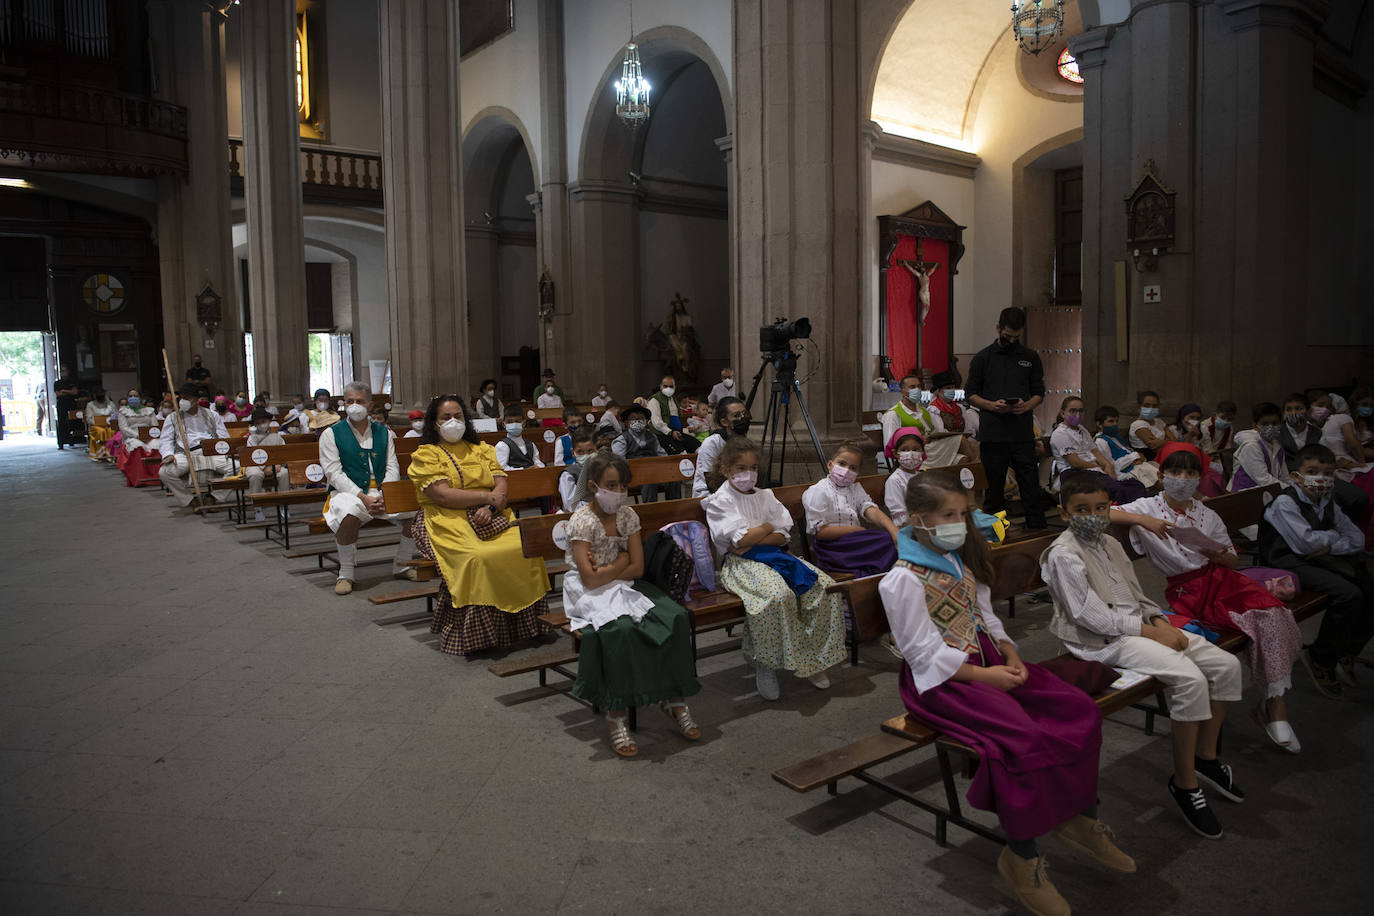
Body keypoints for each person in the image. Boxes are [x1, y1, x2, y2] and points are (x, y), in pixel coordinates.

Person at [883, 472, 1132, 914]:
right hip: (944, 682)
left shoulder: (956, 559)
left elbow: (985, 616)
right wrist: (985, 679)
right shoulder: (901, 579)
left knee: (1077, 709)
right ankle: (1021, 857)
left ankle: (1081, 818)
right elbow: (920, 653)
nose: (959, 523)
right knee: (1022, 738)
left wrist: (1010, 652)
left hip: (986, 660)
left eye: (962, 514)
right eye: (949, 515)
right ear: (919, 520)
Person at [1042, 470, 1244, 839]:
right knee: (1190, 680)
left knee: (1227, 665)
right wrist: (1153, 631)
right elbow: (1091, 616)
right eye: (1082, 509)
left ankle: (1207, 758)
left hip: (1140, 625)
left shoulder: (1111, 544)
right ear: (1065, 513)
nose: (1094, 516)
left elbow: (1138, 595)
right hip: (1100, 643)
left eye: (1101, 507)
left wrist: (1159, 621)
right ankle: (1185, 783)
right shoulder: (1063, 554)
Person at [1112, 443, 1303, 753]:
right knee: (1259, 617)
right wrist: (1146, 522)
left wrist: (1218, 555)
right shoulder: (1148, 506)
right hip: (1188, 591)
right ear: (1162, 475)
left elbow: (1232, 560)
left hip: (1221, 580)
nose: (1182, 478)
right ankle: (1272, 705)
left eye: (1190, 473)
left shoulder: (1207, 514)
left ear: (1199, 478)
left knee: (1275, 613)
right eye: (1175, 472)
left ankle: (1274, 701)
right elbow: (1103, 510)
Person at [563, 452, 702, 757]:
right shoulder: (582, 521)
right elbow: (589, 581)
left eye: (623, 486)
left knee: (676, 618)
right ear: (593, 484)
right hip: (587, 593)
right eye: (611, 485)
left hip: (625, 584)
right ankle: (616, 715)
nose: (618, 493)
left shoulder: (628, 516)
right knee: (619, 631)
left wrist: (611, 569)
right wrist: (620, 561)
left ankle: (673, 699)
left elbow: (638, 567)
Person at [703, 437, 847, 700]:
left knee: (824, 588)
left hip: (777, 556)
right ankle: (766, 664)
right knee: (776, 596)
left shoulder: (765, 496)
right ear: (726, 469)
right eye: (741, 468)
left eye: (754, 468)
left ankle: (813, 659)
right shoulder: (720, 500)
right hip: (742, 564)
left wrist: (763, 532)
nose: (749, 475)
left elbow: (783, 534)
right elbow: (739, 543)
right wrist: (769, 527)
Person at [406, 394, 551, 655]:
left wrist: (492, 506)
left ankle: (526, 627)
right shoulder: (426, 454)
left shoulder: (481, 449)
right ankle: (482, 636)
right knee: (479, 558)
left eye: (458, 416)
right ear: (434, 423)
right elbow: (442, 494)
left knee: (525, 549)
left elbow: (501, 483)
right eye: (446, 417)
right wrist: (486, 497)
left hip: (492, 516)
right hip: (447, 519)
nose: (453, 422)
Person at [1259, 444, 1372, 698]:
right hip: (1285, 563)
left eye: (1328, 473)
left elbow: (1357, 538)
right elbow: (1304, 544)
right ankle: (1321, 657)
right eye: (1313, 471)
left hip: (1315, 560)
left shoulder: (1327, 500)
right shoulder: (1285, 502)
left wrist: (1327, 543)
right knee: (1348, 595)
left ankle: (1347, 650)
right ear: (1297, 476)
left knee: (1369, 589)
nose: (1321, 479)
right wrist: (1333, 538)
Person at [318, 381, 417, 596]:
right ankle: (346, 573)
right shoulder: (331, 434)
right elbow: (333, 472)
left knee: (417, 512)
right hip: (346, 493)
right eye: (350, 401)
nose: (355, 405)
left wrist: (384, 493)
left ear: (370, 405)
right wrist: (362, 496)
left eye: (360, 401)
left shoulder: (385, 433)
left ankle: (403, 563)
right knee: (350, 513)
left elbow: (392, 466)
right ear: (343, 404)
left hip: (381, 493)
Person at [965, 308, 1047, 529]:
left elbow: (1039, 391)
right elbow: (970, 393)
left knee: (1029, 483)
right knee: (994, 486)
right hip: (994, 431)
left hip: (1021, 431)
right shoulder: (983, 357)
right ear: (998, 328)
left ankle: (1036, 528)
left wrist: (1027, 405)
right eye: (1007, 336)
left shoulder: (1030, 357)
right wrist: (991, 405)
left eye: (1016, 337)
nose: (1011, 341)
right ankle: (995, 529)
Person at [803, 441, 899, 577]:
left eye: (853, 468)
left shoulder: (854, 489)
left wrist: (894, 530)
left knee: (893, 540)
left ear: (858, 472)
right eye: (842, 464)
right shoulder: (819, 490)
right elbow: (819, 531)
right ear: (830, 465)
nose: (846, 470)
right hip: (832, 547)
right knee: (886, 543)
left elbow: (870, 509)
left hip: (855, 541)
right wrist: (855, 530)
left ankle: (880, 579)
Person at [1050, 396, 1145, 503]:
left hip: (1093, 470)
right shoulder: (1060, 433)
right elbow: (1074, 462)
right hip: (1075, 473)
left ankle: (1129, 515)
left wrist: (1107, 465)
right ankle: (1115, 516)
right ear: (1063, 413)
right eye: (1073, 411)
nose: (1077, 414)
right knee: (1115, 489)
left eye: (1081, 411)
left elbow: (1095, 451)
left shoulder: (1082, 430)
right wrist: (1098, 467)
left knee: (1136, 485)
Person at [158, 383, 232, 506]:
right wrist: (168, 454)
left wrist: (226, 450)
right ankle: (189, 500)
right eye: (181, 397)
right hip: (185, 453)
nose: (183, 401)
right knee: (164, 472)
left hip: (210, 452)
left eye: (187, 397)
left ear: (196, 399)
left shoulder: (212, 415)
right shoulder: (173, 417)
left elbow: (223, 436)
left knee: (237, 468)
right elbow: (165, 439)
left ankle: (214, 497)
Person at [1092, 405, 1159, 491]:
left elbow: (1128, 451)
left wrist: (1137, 457)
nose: (1115, 424)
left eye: (1116, 421)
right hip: (1125, 472)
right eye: (1111, 421)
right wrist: (1134, 457)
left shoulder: (1115, 437)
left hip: (1136, 466)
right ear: (1099, 424)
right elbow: (1112, 467)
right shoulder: (1100, 441)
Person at [692, 396, 749, 497]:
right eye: (736, 415)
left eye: (744, 414)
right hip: (709, 495)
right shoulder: (712, 443)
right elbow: (711, 482)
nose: (742, 418)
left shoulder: (744, 442)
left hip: (736, 493)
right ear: (724, 422)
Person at [612, 403, 668, 501]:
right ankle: (650, 512)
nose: (637, 421)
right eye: (633, 419)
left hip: (655, 471)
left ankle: (673, 510)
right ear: (627, 423)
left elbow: (662, 455)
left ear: (646, 421)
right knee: (649, 480)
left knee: (673, 479)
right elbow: (619, 463)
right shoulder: (622, 439)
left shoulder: (652, 436)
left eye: (641, 418)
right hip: (634, 474)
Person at [1229, 403, 1287, 491]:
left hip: (1268, 492)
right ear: (1255, 426)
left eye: (1275, 423)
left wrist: (1297, 489)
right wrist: (1291, 490)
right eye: (1265, 424)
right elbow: (1264, 480)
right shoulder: (1251, 446)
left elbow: (1285, 477)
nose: (1270, 427)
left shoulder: (1277, 446)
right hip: (1244, 495)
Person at [244, 407, 290, 520]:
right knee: (255, 475)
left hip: (275, 465)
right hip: (255, 465)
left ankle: (283, 506)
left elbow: (283, 452)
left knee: (284, 473)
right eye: (258, 423)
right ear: (255, 424)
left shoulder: (277, 437)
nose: (262, 425)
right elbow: (252, 455)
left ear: (269, 421)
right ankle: (257, 507)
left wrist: (279, 464)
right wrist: (264, 467)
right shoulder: (252, 439)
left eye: (264, 422)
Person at [879, 373, 942, 448]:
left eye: (919, 386)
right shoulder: (893, 414)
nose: (917, 390)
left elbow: (936, 433)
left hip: (933, 449)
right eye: (912, 387)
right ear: (902, 391)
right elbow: (889, 444)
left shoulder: (925, 411)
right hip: (914, 454)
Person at [883, 428, 926, 526]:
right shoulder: (894, 481)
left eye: (915, 449)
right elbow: (899, 516)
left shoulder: (921, 477)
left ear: (922, 452)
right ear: (895, 453)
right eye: (904, 450)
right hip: (908, 528)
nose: (910, 453)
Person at [647, 373, 698, 455]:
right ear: (661, 386)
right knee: (682, 453)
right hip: (663, 434)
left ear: (675, 387)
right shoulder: (655, 400)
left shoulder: (673, 399)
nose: (668, 388)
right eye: (665, 386)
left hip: (677, 432)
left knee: (697, 446)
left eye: (671, 386)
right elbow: (656, 422)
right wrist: (670, 432)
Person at [560, 427, 597, 513]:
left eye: (590, 451)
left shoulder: (603, 469)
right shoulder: (568, 475)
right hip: (581, 516)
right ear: (573, 453)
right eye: (580, 452)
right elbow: (572, 506)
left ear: (596, 450)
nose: (586, 455)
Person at [495, 405, 543, 471]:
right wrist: (524, 470)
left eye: (517, 421)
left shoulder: (531, 445)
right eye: (509, 422)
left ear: (524, 423)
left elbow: (538, 462)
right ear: (504, 424)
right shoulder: (502, 446)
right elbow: (501, 469)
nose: (514, 424)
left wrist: (539, 467)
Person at [1127, 390, 1172, 459]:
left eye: (1154, 406)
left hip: (1166, 455)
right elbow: (1154, 447)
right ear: (1139, 407)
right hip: (1151, 460)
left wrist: (1162, 442)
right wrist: (1167, 441)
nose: (1151, 408)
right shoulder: (1137, 425)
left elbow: (1174, 440)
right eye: (1147, 405)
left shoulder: (1159, 421)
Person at [84, 387, 116, 461]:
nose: (100, 395)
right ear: (94, 395)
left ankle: (110, 454)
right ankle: (100, 454)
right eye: (98, 394)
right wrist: (99, 423)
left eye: (101, 393)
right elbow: (89, 418)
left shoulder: (110, 404)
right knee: (101, 431)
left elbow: (114, 415)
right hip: (96, 426)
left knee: (111, 431)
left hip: (109, 425)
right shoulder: (90, 405)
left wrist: (110, 422)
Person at [53, 364, 80, 450]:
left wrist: (64, 391)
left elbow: (75, 392)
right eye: (62, 371)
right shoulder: (57, 383)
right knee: (61, 423)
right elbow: (58, 393)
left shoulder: (72, 381)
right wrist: (69, 392)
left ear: (68, 372)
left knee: (71, 423)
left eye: (65, 371)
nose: (63, 373)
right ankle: (61, 443)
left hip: (71, 403)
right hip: (61, 404)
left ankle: (71, 441)